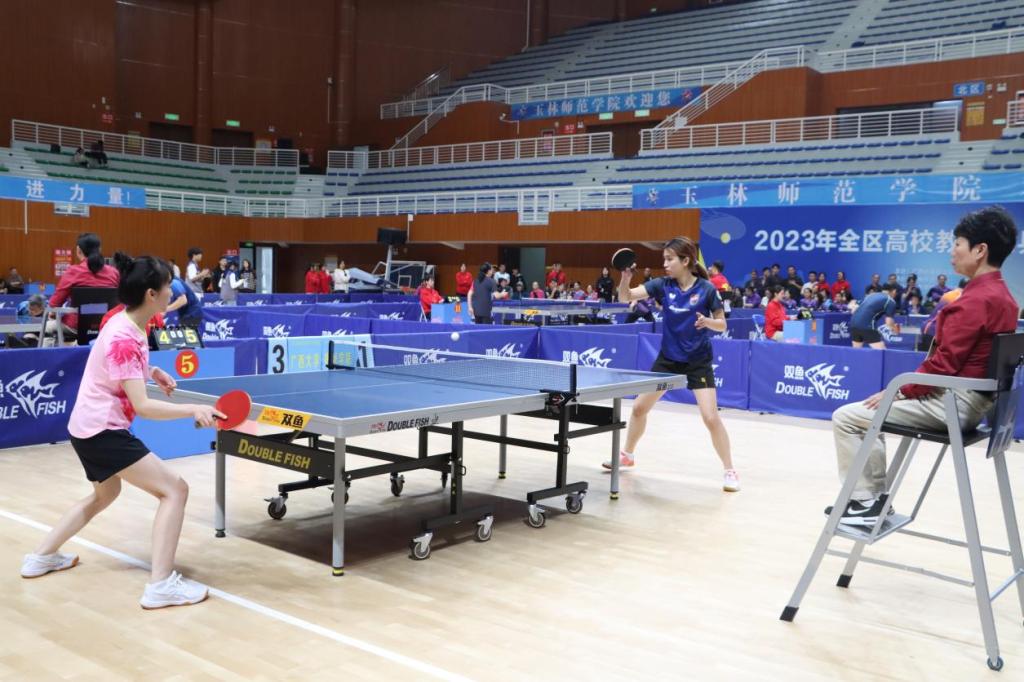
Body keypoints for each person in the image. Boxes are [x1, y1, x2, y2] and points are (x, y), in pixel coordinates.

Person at [20, 253, 222, 609]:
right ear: (151, 294)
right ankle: (161, 585)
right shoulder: (125, 336)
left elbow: (120, 366)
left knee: (105, 494)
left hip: (84, 427)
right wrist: (194, 409)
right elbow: (143, 406)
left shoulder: (127, 320)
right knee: (175, 490)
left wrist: (152, 371)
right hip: (103, 430)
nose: (172, 291)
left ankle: (40, 557)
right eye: (167, 286)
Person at [829, 206, 1019, 526]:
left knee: (848, 417)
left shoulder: (974, 301)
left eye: (957, 244)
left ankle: (866, 502)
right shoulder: (1006, 298)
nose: (952, 252)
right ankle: (872, 500)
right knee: (869, 413)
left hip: (953, 404)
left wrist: (899, 390)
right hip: (980, 403)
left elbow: (943, 365)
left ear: (980, 250)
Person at [606, 236, 739, 492]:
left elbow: (722, 324)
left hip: (697, 360)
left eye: (669, 259)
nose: (665, 264)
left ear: (685, 261)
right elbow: (625, 297)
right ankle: (627, 455)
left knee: (711, 417)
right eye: (664, 259)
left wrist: (707, 322)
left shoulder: (706, 289)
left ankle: (729, 470)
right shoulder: (662, 285)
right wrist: (625, 277)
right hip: (668, 359)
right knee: (638, 409)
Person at [49, 232, 120, 338]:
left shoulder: (73, 272)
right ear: (99, 250)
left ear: (78, 250)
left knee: (46, 327)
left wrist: (52, 314)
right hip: (106, 326)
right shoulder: (114, 273)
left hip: (75, 327)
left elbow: (54, 304)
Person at [849, 283, 899, 349]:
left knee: (856, 351)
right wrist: (894, 329)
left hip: (853, 324)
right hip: (867, 325)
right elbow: (888, 322)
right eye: (896, 293)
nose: (896, 294)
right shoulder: (890, 301)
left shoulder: (871, 295)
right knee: (882, 352)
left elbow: (853, 309)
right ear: (894, 291)